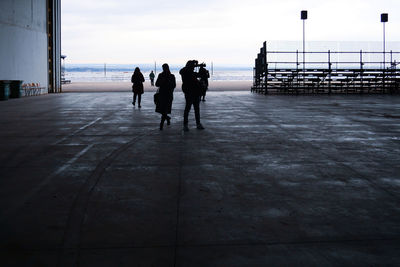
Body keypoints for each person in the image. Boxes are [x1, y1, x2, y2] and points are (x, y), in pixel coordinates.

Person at [180, 60, 204, 132]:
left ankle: (186, 125)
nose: (193, 68)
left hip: (192, 92)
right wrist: (200, 67)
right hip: (192, 92)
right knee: (194, 109)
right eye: (193, 66)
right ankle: (197, 124)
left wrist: (195, 65)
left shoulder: (184, 72)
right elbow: (200, 75)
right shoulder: (188, 73)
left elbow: (197, 74)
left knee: (189, 109)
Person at [155, 64, 176, 130]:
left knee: (164, 110)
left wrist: (168, 82)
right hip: (162, 94)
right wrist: (163, 81)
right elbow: (157, 84)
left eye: (165, 68)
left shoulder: (171, 76)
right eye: (164, 68)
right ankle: (167, 118)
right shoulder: (161, 75)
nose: (164, 69)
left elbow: (174, 85)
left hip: (168, 95)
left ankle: (161, 125)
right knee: (163, 110)